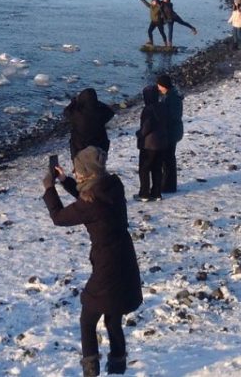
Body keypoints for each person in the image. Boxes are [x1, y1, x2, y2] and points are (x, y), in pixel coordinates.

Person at [43, 147, 143, 376]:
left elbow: (59, 217)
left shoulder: (92, 202)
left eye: (78, 171)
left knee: (88, 318)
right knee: (113, 316)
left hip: (107, 264)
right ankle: (118, 366)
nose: (76, 174)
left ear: (88, 173)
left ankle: (91, 371)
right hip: (124, 258)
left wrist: (49, 188)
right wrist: (65, 180)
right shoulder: (112, 186)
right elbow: (85, 196)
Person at [64, 87, 116, 163]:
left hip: (80, 146)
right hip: (99, 146)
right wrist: (97, 103)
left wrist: (74, 102)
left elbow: (66, 112)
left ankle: (76, 166)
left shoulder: (77, 113)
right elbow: (110, 112)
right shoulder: (101, 113)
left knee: (74, 141)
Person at [135, 85, 166, 202]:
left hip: (149, 144)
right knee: (157, 168)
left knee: (144, 168)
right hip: (162, 142)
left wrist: (139, 134)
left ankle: (144, 193)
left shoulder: (148, 109)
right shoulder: (163, 106)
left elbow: (146, 127)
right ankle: (157, 193)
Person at [156, 74, 183, 194]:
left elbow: (172, 116)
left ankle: (168, 186)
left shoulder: (171, 98)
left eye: (159, 85)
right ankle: (168, 185)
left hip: (171, 132)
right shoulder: (172, 96)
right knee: (169, 159)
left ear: (164, 86)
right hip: (174, 131)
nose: (158, 88)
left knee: (168, 160)